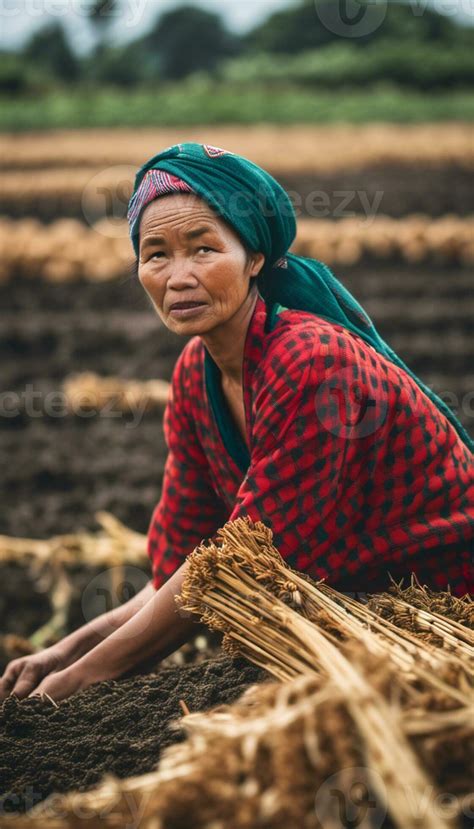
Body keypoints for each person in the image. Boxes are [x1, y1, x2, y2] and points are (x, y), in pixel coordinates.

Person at [1, 143, 472, 704]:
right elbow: (183, 564)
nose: (178, 277)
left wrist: (81, 680)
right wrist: (64, 654)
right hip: (360, 621)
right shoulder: (195, 376)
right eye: (156, 255)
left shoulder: (313, 362)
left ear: (254, 258)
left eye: (204, 249)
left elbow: (237, 562)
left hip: (443, 619)